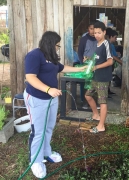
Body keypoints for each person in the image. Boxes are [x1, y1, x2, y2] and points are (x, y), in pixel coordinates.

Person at [23, 31, 86, 178]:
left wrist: (79, 69)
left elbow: (62, 68)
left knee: (49, 127)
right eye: (57, 45)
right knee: (38, 131)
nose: (58, 48)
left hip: (51, 99)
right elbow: (30, 78)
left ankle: (46, 152)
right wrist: (48, 89)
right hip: (37, 98)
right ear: (50, 44)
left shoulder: (51, 58)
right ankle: (35, 160)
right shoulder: (34, 55)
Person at [85, 21, 113, 133]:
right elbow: (97, 58)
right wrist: (89, 59)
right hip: (95, 77)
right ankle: (96, 115)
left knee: (102, 102)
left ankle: (101, 126)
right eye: (95, 32)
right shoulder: (97, 44)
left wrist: (96, 67)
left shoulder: (106, 44)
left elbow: (110, 61)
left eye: (99, 33)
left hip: (103, 78)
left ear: (104, 32)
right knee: (88, 96)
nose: (96, 35)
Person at [78, 21, 100, 109]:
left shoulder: (99, 39)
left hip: (97, 66)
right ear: (88, 29)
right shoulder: (84, 39)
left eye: (94, 29)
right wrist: (82, 63)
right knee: (85, 84)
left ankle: (96, 103)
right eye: (91, 29)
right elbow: (80, 52)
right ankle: (85, 103)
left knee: (95, 85)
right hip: (86, 65)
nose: (92, 31)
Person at [108, 30, 123, 94]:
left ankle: (108, 90)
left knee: (109, 77)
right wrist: (120, 62)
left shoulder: (112, 45)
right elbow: (112, 56)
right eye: (115, 37)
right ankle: (106, 91)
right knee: (107, 78)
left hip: (111, 63)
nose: (116, 39)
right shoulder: (108, 45)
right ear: (111, 37)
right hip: (108, 63)